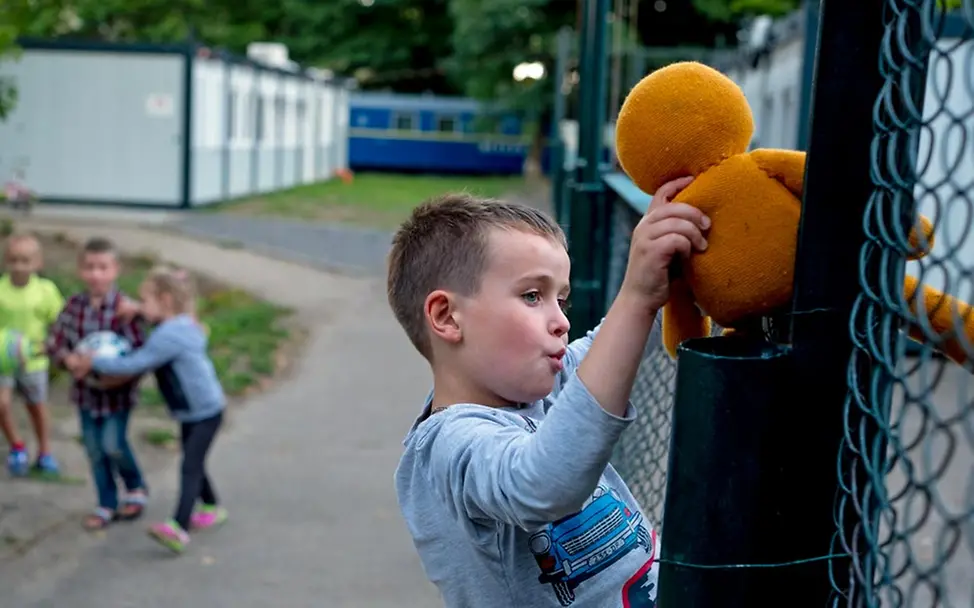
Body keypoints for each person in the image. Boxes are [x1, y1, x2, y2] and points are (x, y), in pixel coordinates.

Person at [390, 177, 708, 607]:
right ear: (447, 317)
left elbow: (617, 339)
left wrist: (672, 264)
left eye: (563, 300)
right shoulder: (448, 447)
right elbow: (541, 484)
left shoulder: (543, 388)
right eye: (533, 295)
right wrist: (635, 297)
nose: (561, 321)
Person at [73, 264, 227, 554]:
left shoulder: (169, 335)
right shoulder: (178, 324)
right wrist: (139, 310)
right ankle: (212, 507)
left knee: (190, 465)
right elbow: (154, 322)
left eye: (146, 301)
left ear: (166, 301)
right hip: (195, 410)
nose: (141, 307)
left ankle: (178, 528)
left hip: (205, 412)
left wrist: (93, 361)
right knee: (194, 460)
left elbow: (134, 363)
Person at [46, 237, 150, 530]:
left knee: (113, 444)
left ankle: (135, 487)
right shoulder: (73, 307)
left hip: (118, 395)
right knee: (94, 449)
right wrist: (68, 361)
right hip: (85, 395)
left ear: (115, 270)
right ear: (80, 271)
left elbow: (141, 351)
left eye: (102, 267)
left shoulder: (125, 308)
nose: (96, 274)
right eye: (89, 267)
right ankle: (106, 503)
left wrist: (118, 373)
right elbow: (55, 342)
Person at [0, 233, 65, 476]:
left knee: (36, 406)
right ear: (5, 261)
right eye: (13, 260)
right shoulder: (1, 290)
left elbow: (59, 323)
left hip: (34, 361)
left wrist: (49, 344)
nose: (19, 266)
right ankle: (17, 445)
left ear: (38, 263)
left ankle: (45, 452)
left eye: (25, 261)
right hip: (3, 362)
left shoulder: (45, 291)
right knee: (1, 404)